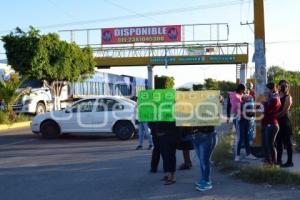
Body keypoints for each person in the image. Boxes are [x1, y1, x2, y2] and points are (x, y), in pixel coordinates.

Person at [261, 82, 281, 165]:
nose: (265, 91)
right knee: (266, 144)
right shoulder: (271, 98)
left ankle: (273, 163)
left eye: (266, 89)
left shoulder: (275, 99)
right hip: (266, 124)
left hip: (272, 124)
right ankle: (268, 161)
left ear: (271, 89)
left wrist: (264, 103)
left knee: (270, 144)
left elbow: (266, 110)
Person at [192, 126, 217, 192]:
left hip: (207, 135)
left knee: (205, 160)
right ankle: (204, 179)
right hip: (196, 135)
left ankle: (207, 182)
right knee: (202, 160)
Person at [276, 80, 293, 167]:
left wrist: (273, 116)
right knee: (278, 142)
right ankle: (279, 160)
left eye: (286, 86)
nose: (284, 87)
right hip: (278, 123)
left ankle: (290, 162)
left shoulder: (288, 97)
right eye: (282, 85)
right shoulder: (277, 96)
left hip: (285, 122)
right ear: (279, 86)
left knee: (288, 143)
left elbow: (283, 112)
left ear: (288, 87)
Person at [227, 84, 246, 161]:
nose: (244, 92)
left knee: (245, 136)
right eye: (243, 90)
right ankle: (237, 155)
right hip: (237, 117)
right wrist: (228, 117)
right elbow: (229, 106)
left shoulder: (242, 95)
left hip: (244, 117)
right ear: (241, 90)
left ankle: (248, 153)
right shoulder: (233, 95)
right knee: (239, 136)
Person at [236, 94, 256, 161]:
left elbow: (252, 113)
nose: (249, 98)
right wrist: (246, 113)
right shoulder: (240, 104)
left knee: (246, 138)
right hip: (242, 122)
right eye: (247, 97)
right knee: (241, 138)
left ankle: (248, 154)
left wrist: (251, 113)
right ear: (243, 98)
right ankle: (237, 155)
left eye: (249, 97)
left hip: (247, 122)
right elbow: (239, 113)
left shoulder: (249, 104)